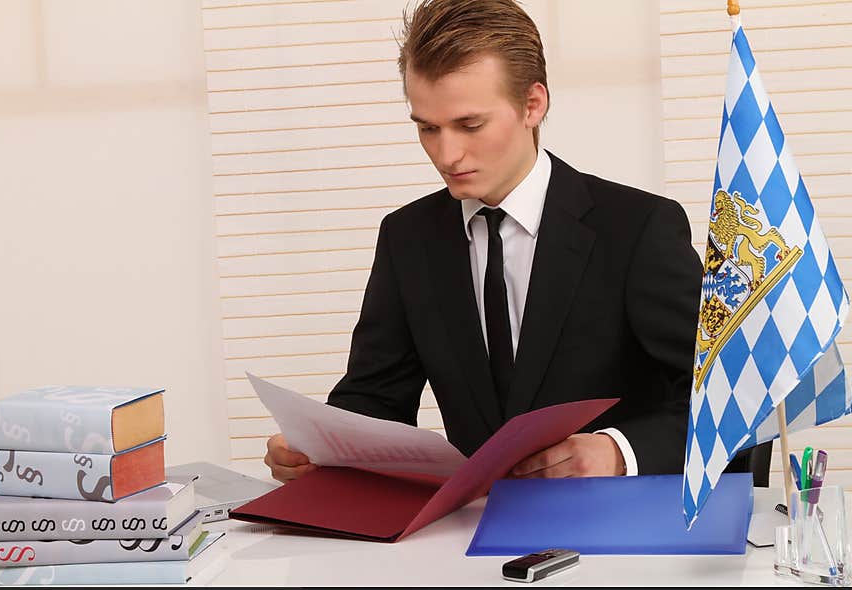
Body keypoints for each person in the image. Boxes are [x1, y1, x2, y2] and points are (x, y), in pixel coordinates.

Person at [264, 0, 763, 485]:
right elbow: (373, 403)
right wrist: (316, 450)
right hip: (472, 541)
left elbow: (734, 396)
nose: (447, 153)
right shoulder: (407, 238)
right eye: (427, 128)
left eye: (469, 125)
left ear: (533, 104)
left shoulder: (637, 228)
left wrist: (619, 451)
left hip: (618, 535)